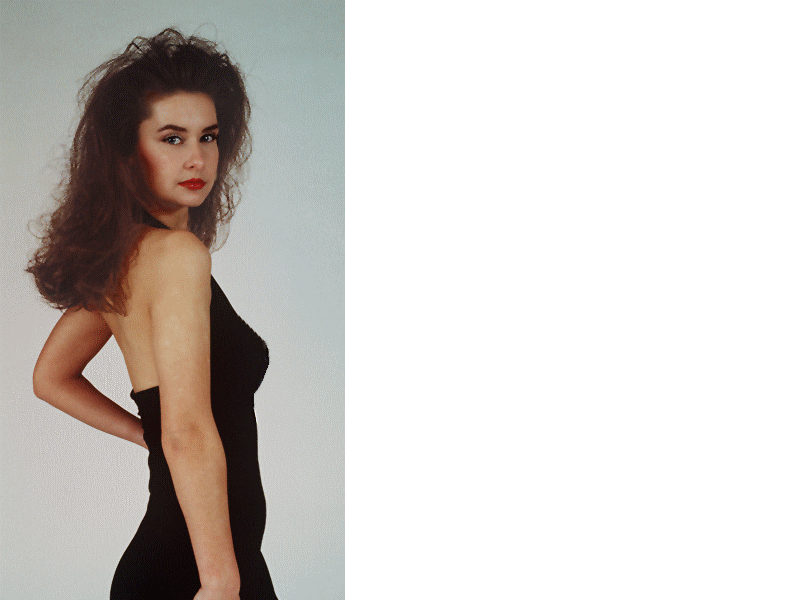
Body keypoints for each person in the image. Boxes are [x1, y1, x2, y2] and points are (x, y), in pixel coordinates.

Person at [26, 28, 279, 600]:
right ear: (126, 152)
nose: (197, 158)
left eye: (208, 136)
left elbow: (50, 377)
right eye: (171, 138)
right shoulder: (177, 256)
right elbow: (186, 431)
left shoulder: (130, 261)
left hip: (199, 559)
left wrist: (148, 435)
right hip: (199, 569)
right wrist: (220, 581)